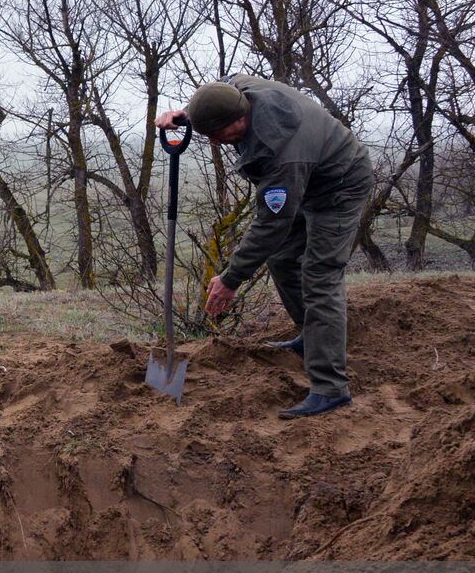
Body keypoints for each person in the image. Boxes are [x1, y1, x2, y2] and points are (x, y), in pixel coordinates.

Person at [156, 76, 372, 419]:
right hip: (308, 176)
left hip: (338, 186)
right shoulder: (238, 91)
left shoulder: (280, 151)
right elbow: (218, 92)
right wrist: (186, 115)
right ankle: (312, 336)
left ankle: (331, 388)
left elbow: (272, 224)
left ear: (241, 118)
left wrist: (231, 279)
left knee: (320, 275)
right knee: (283, 259)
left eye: (218, 134)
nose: (213, 142)